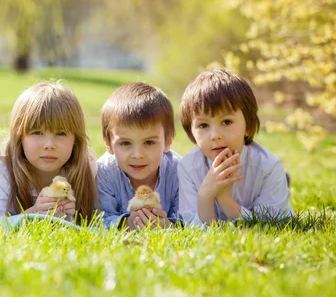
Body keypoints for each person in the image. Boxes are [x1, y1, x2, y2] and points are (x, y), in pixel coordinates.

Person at [178, 69, 293, 225]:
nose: (215, 135)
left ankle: (282, 183)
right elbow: (194, 227)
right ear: (191, 132)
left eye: (226, 122)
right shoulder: (188, 168)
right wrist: (205, 195)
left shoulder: (269, 166)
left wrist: (224, 198)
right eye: (203, 125)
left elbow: (272, 226)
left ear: (248, 127)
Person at [0, 81, 98, 224]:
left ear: (76, 139)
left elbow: (100, 223)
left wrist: (70, 216)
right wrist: (33, 214)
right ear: (19, 137)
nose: (49, 145)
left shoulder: (88, 168)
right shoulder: (6, 169)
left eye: (61, 133)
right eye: (37, 132)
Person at [96, 82, 181, 229]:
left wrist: (168, 225)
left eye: (149, 142)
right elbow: (97, 219)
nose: (137, 155)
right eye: (125, 143)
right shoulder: (103, 173)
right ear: (108, 143)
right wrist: (126, 224)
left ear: (168, 141)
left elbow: (190, 219)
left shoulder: (179, 171)